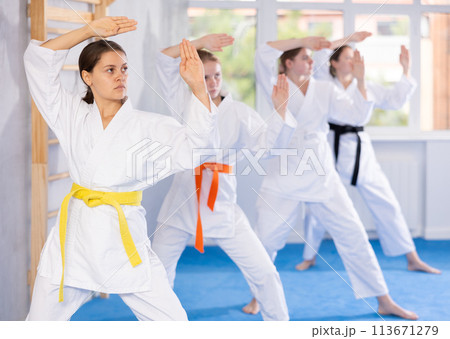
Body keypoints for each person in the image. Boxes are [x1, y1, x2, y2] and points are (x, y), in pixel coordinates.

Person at [24, 17, 219, 320]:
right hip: (73, 242)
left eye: (124, 69)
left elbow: (198, 148)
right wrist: (90, 31)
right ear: (87, 77)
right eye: (110, 69)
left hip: (124, 238)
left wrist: (197, 87)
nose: (121, 76)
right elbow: (39, 59)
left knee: (174, 323)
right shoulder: (70, 113)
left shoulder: (148, 125)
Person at [243, 36, 419, 320]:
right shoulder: (276, 84)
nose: (312, 61)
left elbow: (354, 113)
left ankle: (383, 299)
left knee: (354, 234)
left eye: (312, 57)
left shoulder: (324, 89)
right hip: (284, 169)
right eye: (305, 57)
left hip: (320, 171)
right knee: (266, 239)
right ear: (289, 63)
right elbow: (263, 51)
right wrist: (303, 39)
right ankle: (257, 296)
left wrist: (361, 82)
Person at [151, 34, 297, 321]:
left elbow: (268, 148)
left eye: (216, 75)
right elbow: (164, 59)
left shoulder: (240, 113)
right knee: (157, 272)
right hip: (181, 201)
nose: (213, 82)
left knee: (264, 271)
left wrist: (281, 111)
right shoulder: (181, 101)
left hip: (222, 204)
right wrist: (199, 41)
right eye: (205, 77)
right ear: (192, 77)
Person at [297, 33, 440, 275]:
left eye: (356, 58)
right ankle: (309, 256)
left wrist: (405, 70)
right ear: (334, 63)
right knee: (318, 204)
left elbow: (395, 101)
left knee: (387, 203)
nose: (355, 62)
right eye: (349, 57)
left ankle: (412, 257)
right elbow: (321, 52)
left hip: (359, 149)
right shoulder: (322, 82)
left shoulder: (367, 85)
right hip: (329, 147)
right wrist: (347, 38)